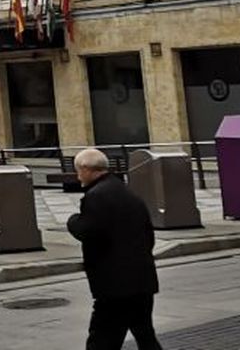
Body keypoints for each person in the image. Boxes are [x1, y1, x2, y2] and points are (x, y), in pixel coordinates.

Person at [66, 148, 162, 350]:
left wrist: (72, 220)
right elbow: (148, 234)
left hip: (115, 286)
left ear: (85, 168)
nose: (77, 175)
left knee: (102, 340)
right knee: (145, 335)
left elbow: (87, 230)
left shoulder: (96, 196)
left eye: (78, 170)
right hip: (142, 279)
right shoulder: (127, 192)